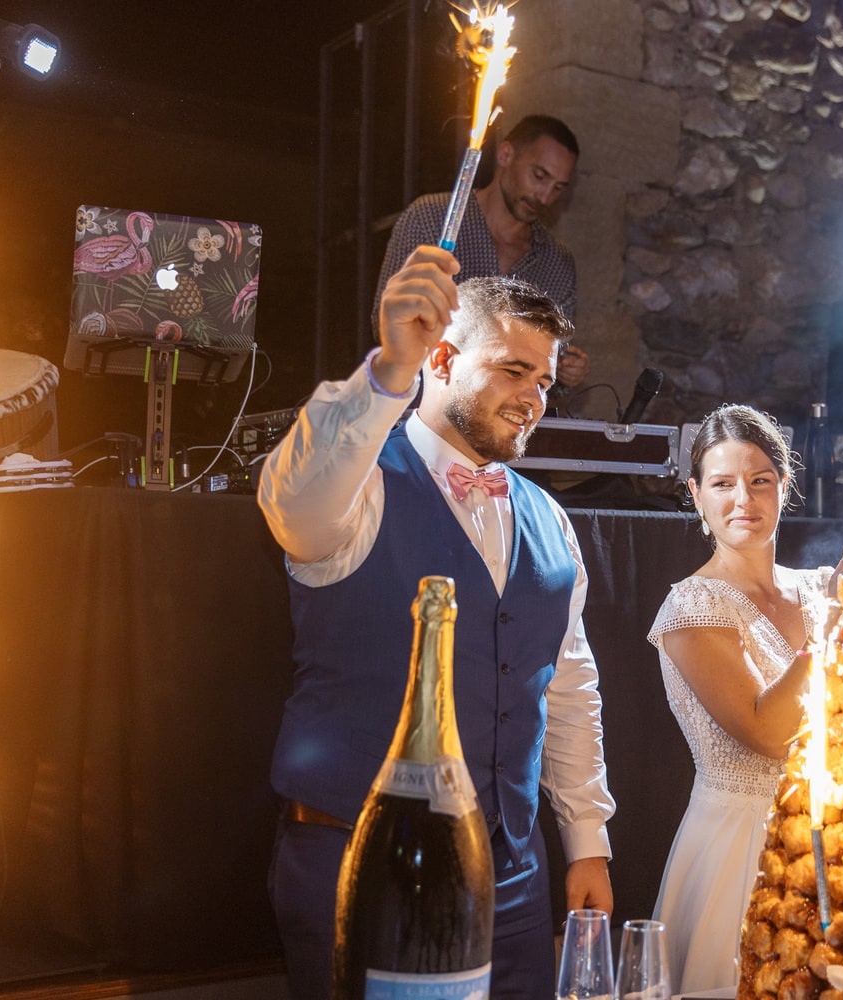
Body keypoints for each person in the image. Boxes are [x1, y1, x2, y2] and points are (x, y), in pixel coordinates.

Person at [258, 245, 615, 1000]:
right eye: (513, 371)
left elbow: (568, 691)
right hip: (356, 855)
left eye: (545, 380)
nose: (534, 398)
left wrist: (587, 843)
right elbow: (296, 503)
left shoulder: (549, 518)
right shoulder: (361, 486)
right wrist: (389, 367)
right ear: (443, 358)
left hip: (512, 871)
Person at [647, 403, 821, 993]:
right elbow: (766, 730)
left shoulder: (818, 590)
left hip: (830, 837)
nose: (743, 499)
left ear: (784, 487)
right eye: (722, 484)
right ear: (696, 496)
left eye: (759, 481)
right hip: (739, 850)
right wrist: (833, 639)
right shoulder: (692, 607)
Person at [374, 114, 590, 393]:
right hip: (423, 408)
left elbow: (548, 371)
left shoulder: (556, 263)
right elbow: (386, 324)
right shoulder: (431, 219)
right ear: (505, 154)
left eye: (558, 188)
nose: (545, 196)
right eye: (539, 176)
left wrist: (563, 370)